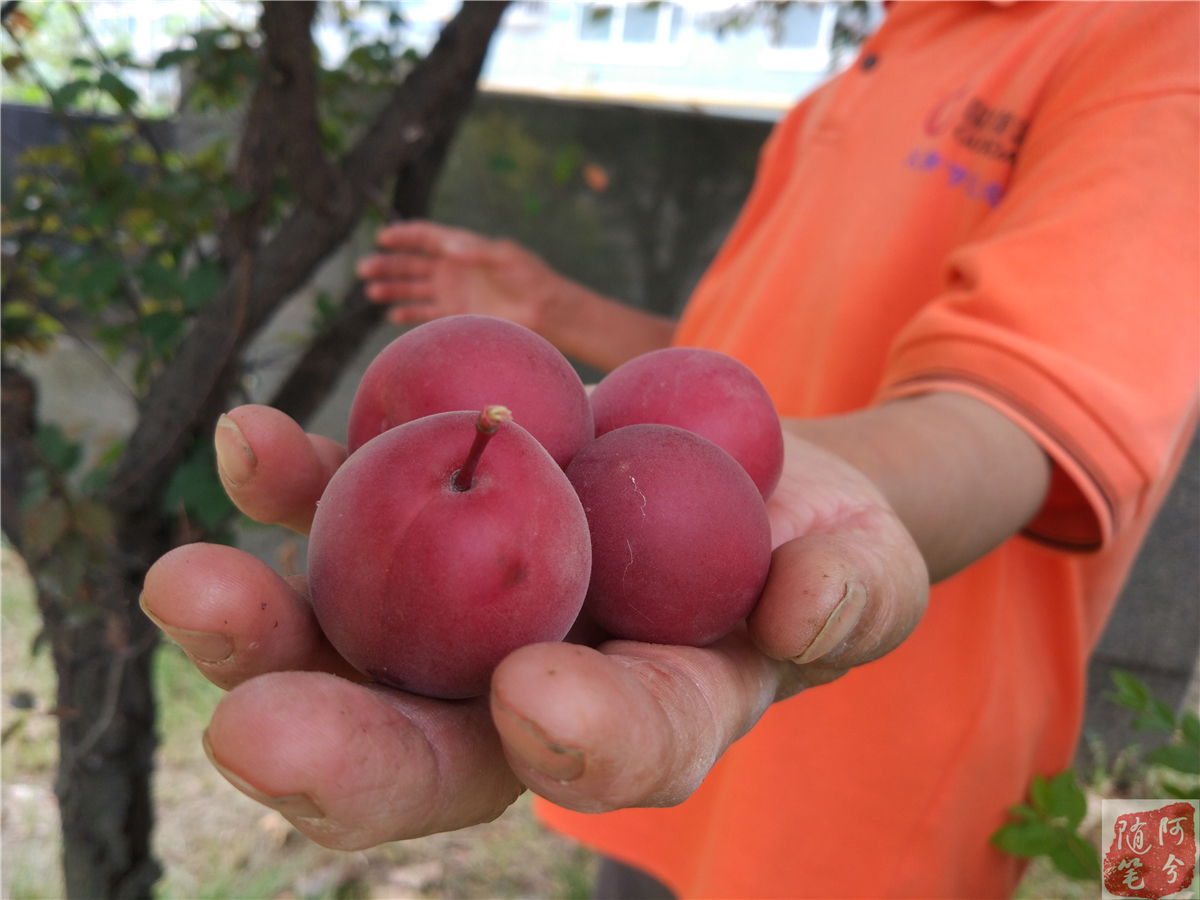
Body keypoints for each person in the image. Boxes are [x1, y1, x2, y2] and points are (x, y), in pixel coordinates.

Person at [141, 2, 1198, 896]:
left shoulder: (1160, 45)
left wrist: (819, 494)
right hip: (645, 759)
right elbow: (721, 382)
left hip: (864, 817)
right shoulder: (877, 55)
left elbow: (1012, 416)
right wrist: (565, 314)